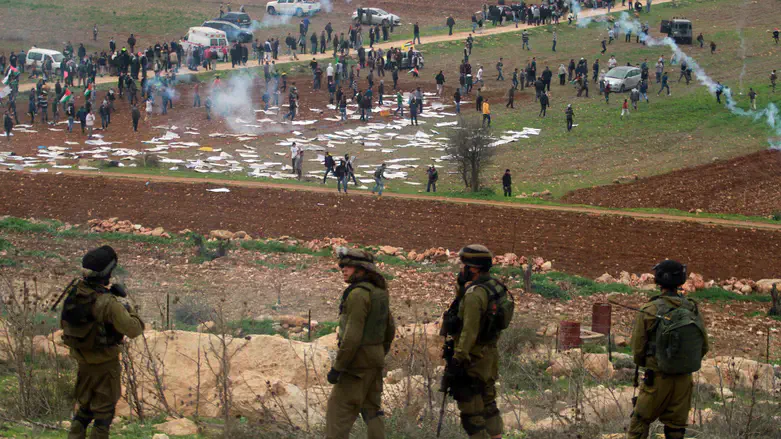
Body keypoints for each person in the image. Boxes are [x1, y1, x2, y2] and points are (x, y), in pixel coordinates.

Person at [61, 246, 144, 439]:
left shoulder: (76, 293)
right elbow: (133, 329)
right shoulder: (107, 303)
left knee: (84, 410)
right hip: (105, 364)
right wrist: (127, 306)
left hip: (83, 361)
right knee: (103, 416)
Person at [627, 260, 709, 439]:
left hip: (657, 378)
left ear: (658, 281)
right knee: (676, 427)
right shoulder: (692, 308)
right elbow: (703, 346)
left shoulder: (650, 309)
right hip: (684, 380)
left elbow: (637, 349)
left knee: (639, 422)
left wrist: (651, 364)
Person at [440, 245, 514, 439]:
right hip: (489, 355)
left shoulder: (475, 294)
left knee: (472, 412)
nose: (460, 268)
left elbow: (469, 330)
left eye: (464, 265)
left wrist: (458, 358)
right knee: (489, 404)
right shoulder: (494, 286)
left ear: (474, 268)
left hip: (472, 358)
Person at [325, 247, 394, 439]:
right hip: (375, 359)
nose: (343, 270)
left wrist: (338, 368)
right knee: (372, 411)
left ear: (362, 270)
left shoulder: (357, 294)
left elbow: (352, 336)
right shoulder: (380, 292)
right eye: (342, 267)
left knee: (337, 413)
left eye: (348, 267)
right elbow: (390, 328)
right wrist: (379, 353)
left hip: (356, 364)